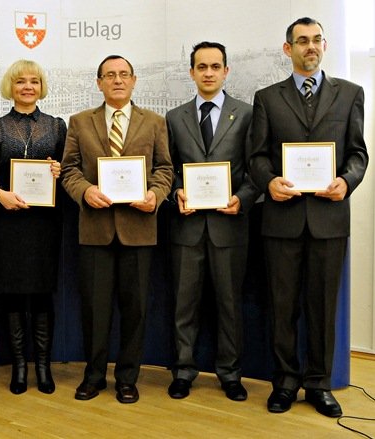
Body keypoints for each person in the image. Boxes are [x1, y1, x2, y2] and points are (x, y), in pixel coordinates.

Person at [249, 17, 368, 417]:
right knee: (282, 307)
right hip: (281, 219)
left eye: (316, 40)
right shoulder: (266, 97)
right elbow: (257, 157)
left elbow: (358, 154)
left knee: (322, 307)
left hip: (329, 217)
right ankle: (284, 382)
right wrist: (268, 183)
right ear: (288, 49)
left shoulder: (351, 94)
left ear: (324, 45)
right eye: (302, 41)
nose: (310, 47)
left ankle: (318, 384)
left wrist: (346, 182)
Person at [61, 55, 173, 404]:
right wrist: (85, 191)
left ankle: (127, 378)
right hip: (95, 230)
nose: (117, 80)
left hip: (138, 229)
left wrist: (155, 196)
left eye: (124, 74)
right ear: (99, 83)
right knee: (95, 310)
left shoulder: (154, 122)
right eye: (110, 75)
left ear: (134, 80)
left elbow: (165, 169)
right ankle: (93, 376)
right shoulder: (79, 122)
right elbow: (69, 171)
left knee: (135, 309)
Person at [165, 42, 259, 401]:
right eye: (201, 67)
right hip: (186, 228)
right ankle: (184, 371)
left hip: (230, 226)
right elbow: (168, 169)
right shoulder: (175, 117)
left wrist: (244, 199)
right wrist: (176, 193)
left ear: (226, 71)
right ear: (191, 73)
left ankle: (230, 374)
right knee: (183, 305)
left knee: (229, 305)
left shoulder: (247, 114)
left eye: (215, 66)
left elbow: (256, 169)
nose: (208, 72)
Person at [0, 60, 66, 394]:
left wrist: (58, 170)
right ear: (11, 87)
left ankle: (43, 368)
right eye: (21, 82)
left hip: (44, 223)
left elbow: (69, 170)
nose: (27, 87)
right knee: (13, 294)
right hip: (9, 222)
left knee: (43, 293)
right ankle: (19, 368)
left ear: (41, 86)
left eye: (34, 81)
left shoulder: (57, 126)